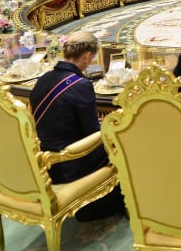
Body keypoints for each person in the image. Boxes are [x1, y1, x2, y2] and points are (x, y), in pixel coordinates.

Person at [29, 31, 124, 220]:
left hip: (45, 161)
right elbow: (92, 133)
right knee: (121, 141)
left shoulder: (44, 78)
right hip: (70, 163)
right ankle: (115, 203)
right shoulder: (80, 84)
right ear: (87, 56)